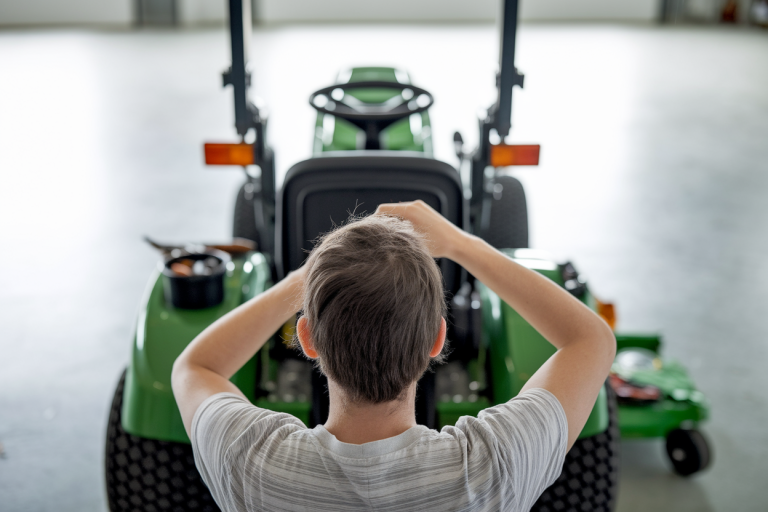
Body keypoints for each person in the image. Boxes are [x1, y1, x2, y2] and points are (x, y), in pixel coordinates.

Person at [171, 200, 616, 512]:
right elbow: (591, 340)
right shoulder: (492, 464)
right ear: (438, 339)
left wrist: (305, 279)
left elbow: (196, 366)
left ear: (307, 339)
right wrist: (462, 244)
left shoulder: (251, 459)